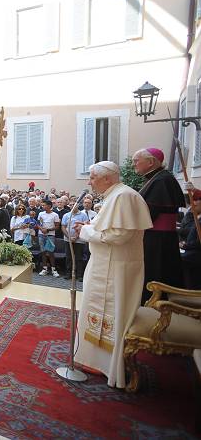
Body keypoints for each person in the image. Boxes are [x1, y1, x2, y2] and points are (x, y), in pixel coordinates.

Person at [73, 161, 152, 388]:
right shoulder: (114, 195)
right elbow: (107, 228)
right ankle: (95, 360)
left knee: (112, 313)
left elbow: (118, 235)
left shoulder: (123, 197)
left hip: (117, 268)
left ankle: (109, 364)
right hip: (104, 265)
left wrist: (86, 231)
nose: (89, 182)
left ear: (107, 178)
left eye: (92, 177)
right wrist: (90, 227)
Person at [132, 148, 186, 301]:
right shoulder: (156, 178)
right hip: (157, 237)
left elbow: (148, 214)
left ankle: (155, 308)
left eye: (136, 161)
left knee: (156, 274)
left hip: (157, 240)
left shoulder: (162, 180)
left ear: (150, 162)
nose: (134, 164)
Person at [37, 200, 60, 277]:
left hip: (50, 236)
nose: (42, 206)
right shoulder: (40, 213)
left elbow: (57, 226)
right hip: (41, 235)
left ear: (49, 206)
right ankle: (44, 269)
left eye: (44, 205)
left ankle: (54, 270)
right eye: (42, 205)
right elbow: (38, 223)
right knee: (43, 252)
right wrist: (41, 229)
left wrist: (48, 230)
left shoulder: (55, 215)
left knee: (51, 252)